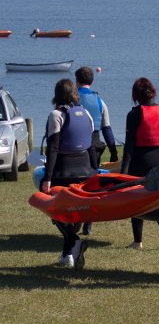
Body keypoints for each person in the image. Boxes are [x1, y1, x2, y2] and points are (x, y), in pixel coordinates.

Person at [42, 79, 98, 269]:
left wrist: (47, 178)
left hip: (64, 172)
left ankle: (74, 241)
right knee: (74, 215)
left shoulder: (56, 115)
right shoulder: (86, 114)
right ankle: (68, 256)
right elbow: (92, 146)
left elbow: (53, 148)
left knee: (56, 213)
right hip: (86, 170)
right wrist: (95, 172)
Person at [120, 77, 159, 250]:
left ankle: (138, 242)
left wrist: (123, 173)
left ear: (136, 95)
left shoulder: (134, 114)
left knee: (137, 200)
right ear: (152, 93)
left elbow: (129, 147)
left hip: (141, 162)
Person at [75, 66, 119, 235]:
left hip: (76, 146)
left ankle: (75, 219)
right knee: (91, 185)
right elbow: (106, 129)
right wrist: (114, 152)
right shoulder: (101, 102)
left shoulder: (73, 99)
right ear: (92, 81)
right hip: (94, 147)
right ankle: (88, 224)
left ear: (77, 81)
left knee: (75, 183)